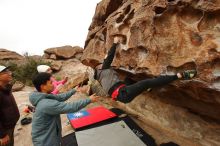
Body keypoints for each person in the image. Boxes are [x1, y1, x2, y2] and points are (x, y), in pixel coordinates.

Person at [88, 36, 197, 103]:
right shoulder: (103, 69)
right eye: (98, 65)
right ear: (97, 69)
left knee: (128, 79)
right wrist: (115, 42)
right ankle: (179, 76)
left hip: (122, 91)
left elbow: (106, 60)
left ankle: (146, 88)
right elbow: (110, 56)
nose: (100, 64)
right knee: (147, 82)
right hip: (124, 94)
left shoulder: (100, 77)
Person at [30, 72, 99, 146]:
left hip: (48, 136)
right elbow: (70, 107)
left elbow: (60, 97)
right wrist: (89, 100)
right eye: (50, 83)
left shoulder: (45, 96)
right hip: (45, 141)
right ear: (43, 86)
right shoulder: (46, 104)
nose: (53, 84)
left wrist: (73, 91)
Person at [0, 65, 20, 146]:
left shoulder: (6, 89)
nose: (10, 74)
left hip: (10, 126)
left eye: (9, 71)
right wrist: (2, 135)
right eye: (5, 72)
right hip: (4, 130)